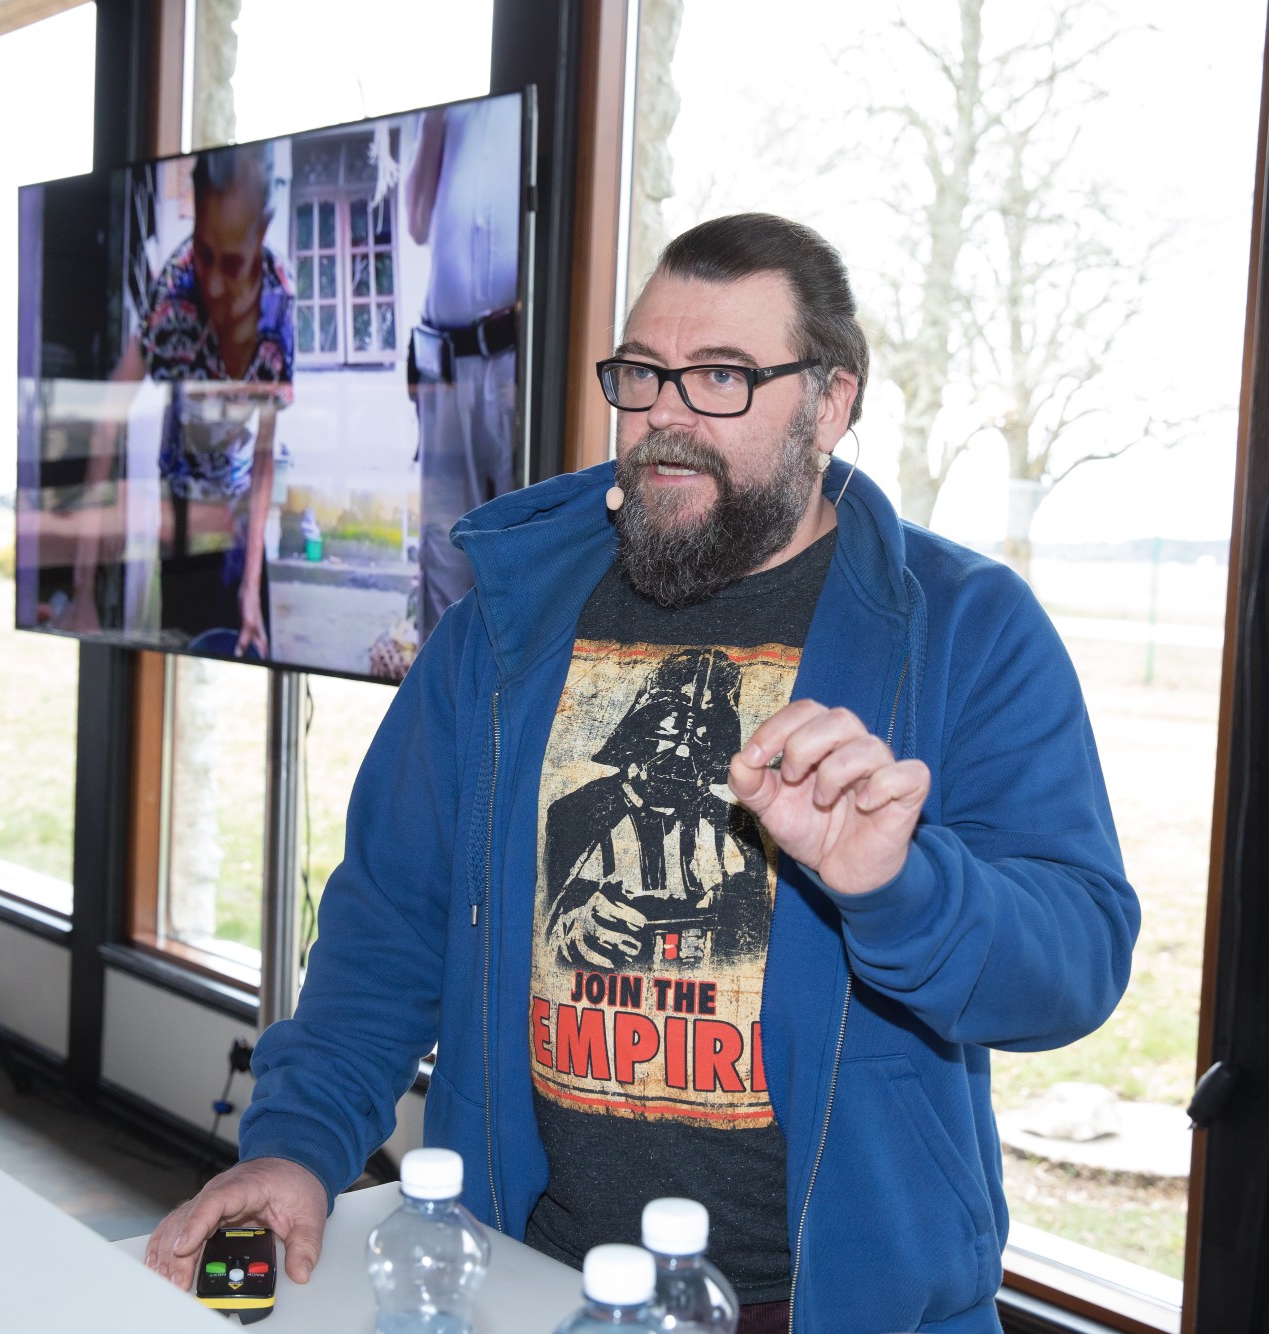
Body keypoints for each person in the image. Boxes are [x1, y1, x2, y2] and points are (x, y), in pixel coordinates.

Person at [142, 214, 1139, 1333]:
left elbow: (1075, 962)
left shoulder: (962, 629)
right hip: (529, 1283)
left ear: (830, 403)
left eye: (720, 376)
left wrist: (900, 887)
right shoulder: (504, 626)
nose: (665, 412)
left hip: (839, 1307)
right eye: (642, 373)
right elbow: (388, 930)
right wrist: (295, 1147)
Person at [59, 141, 293, 656]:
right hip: (182, 520)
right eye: (205, 253)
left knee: (249, 645)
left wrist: (250, 585)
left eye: (232, 262)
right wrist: (83, 582)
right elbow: (110, 413)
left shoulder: (277, 303)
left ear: (262, 230)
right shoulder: (175, 290)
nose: (215, 285)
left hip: (239, 519)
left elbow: (263, 454)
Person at [404, 96, 521, 645]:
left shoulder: (524, 110)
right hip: (445, 364)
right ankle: (443, 689)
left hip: (513, 361)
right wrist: (433, 121)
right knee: (444, 551)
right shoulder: (444, 112)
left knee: (518, 552)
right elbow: (417, 221)